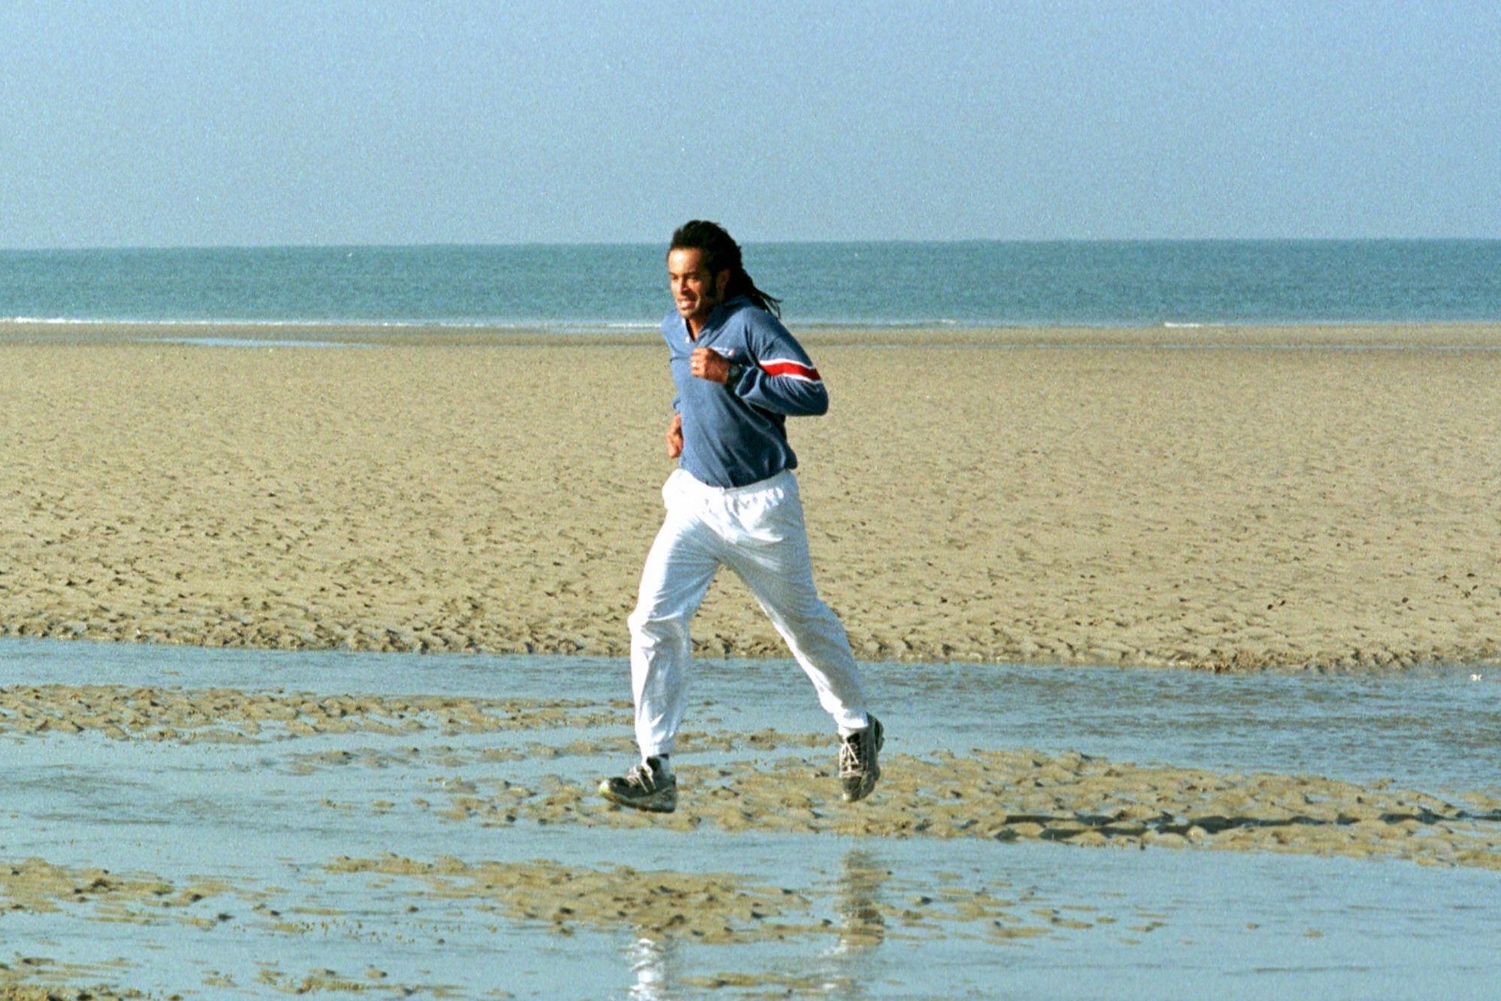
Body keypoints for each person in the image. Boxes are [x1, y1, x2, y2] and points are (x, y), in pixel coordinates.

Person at [599, 220, 882, 814]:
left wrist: (734, 375)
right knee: (651, 618)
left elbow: (812, 394)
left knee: (801, 622)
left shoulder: (751, 325)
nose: (682, 289)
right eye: (674, 278)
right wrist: (682, 417)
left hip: (762, 508)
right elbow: (688, 380)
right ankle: (655, 766)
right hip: (696, 502)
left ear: (721, 278)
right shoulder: (672, 328)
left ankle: (857, 727)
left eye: (693, 277)